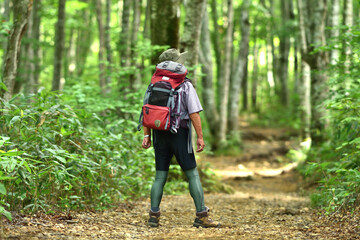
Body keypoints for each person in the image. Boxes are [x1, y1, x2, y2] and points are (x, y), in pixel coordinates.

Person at [141, 48, 220, 228]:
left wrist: (146, 136)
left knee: (160, 176)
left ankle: (153, 216)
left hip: (159, 134)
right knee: (192, 174)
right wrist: (200, 137)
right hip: (180, 134)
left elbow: (146, 111)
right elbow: (194, 114)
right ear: (178, 64)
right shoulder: (185, 85)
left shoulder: (153, 84)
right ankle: (201, 216)